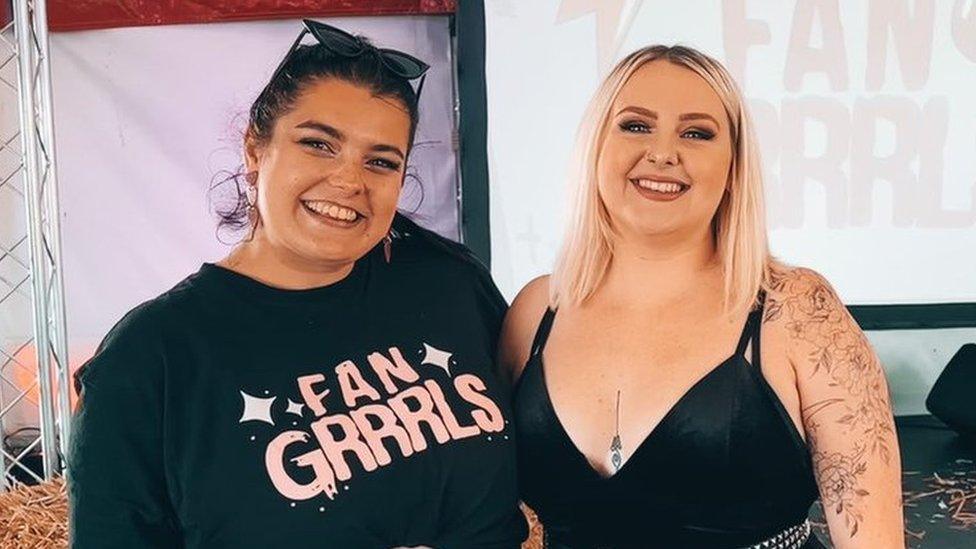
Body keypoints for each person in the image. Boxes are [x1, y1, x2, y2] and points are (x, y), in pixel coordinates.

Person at [69, 20, 527, 549]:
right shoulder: (152, 358)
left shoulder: (450, 284)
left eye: (381, 161)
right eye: (318, 144)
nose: (351, 181)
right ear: (254, 150)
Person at [500, 45, 903, 548]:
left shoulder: (796, 310)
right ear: (594, 147)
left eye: (696, 133)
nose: (664, 152)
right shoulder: (535, 311)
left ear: (733, 167)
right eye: (635, 125)